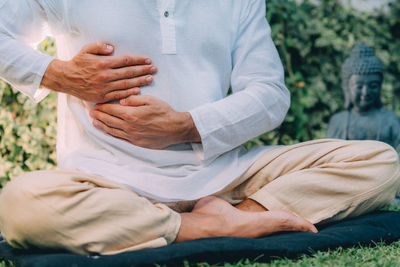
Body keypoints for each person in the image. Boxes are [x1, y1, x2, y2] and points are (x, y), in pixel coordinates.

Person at [0, 0, 399, 256]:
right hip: (109, 184)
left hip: (225, 178)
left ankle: (240, 214)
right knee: (19, 205)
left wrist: (186, 126)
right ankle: (203, 227)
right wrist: (62, 75)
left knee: (381, 162)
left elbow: (270, 94)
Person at [327, 44, 400, 153]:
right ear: (347, 87)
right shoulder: (338, 122)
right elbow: (328, 156)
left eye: (373, 86)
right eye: (359, 86)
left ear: (380, 86)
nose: (366, 92)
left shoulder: (390, 120)